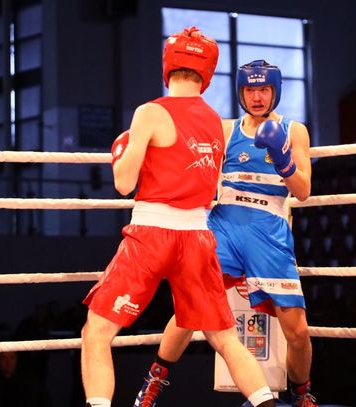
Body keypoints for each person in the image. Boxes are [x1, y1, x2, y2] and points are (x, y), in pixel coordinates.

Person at [80, 27, 276, 407]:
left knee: (97, 333)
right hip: (198, 238)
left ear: (167, 65)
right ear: (208, 72)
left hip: (152, 234)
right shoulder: (217, 123)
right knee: (225, 339)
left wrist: (123, 152)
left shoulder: (150, 112)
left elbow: (123, 183)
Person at [135, 60, 316, 407]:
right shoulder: (225, 129)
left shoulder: (294, 131)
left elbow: (303, 190)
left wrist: (283, 159)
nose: (257, 97)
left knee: (297, 331)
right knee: (190, 308)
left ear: (275, 91)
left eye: (264, 89)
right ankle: (152, 384)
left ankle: (302, 393)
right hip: (224, 224)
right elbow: (196, 168)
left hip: (269, 228)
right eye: (250, 90)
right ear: (240, 93)